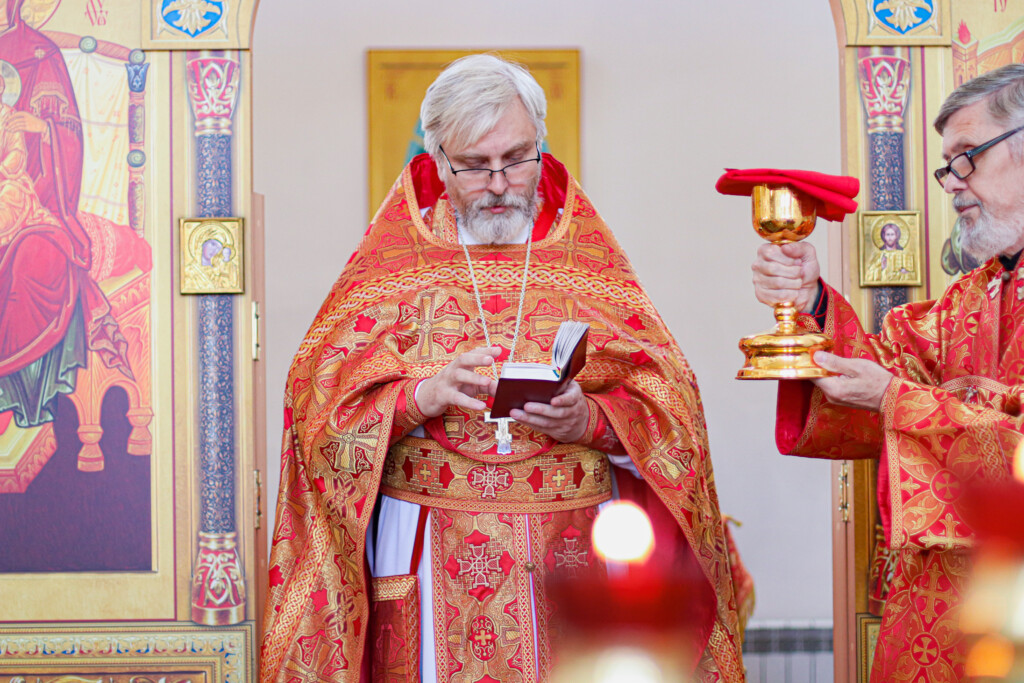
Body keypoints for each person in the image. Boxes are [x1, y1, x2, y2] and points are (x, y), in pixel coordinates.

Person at [262, 54, 746, 682]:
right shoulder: (392, 270)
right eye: (474, 165)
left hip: (573, 549)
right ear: (438, 160)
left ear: (541, 147)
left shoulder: (586, 265)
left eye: (517, 159)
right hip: (429, 547)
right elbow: (318, 413)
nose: (498, 183)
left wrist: (592, 421)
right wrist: (419, 397)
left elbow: (671, 406)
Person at [752, 63, 1024, 682]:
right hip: (944, 605)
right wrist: (809, 302)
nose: (952, 184)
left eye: (966, 158)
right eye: (946, 166)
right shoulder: (972, 297)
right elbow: (883, 371)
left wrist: (897, 401)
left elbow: (894, 393)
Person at [0, 0, 131, 431]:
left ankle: (23, 396)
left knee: (34, 263)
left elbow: (68, 136)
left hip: (35, 202)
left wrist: (41, 128)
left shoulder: (41, 54)